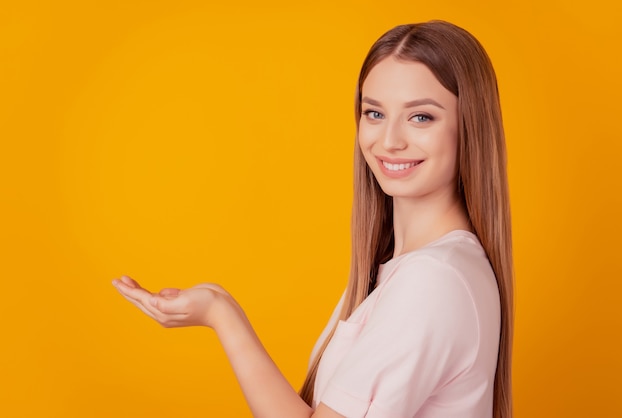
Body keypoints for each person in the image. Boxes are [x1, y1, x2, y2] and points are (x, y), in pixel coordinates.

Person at [113, 20, 513, 418]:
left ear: (469, 127)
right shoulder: (405, 270)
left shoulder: (433, 279)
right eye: (374, 113)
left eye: (421, 117)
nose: (389, 140)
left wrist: (223, 316)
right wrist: (219, 310)